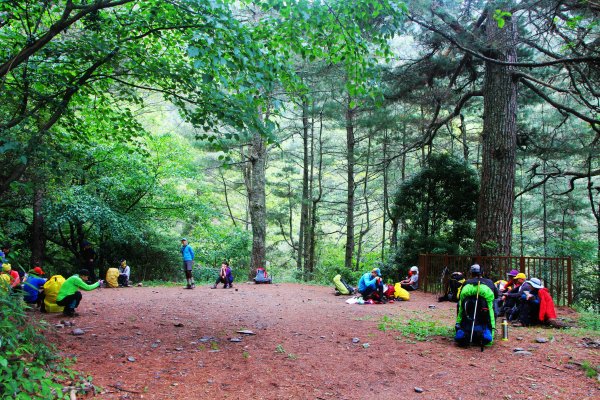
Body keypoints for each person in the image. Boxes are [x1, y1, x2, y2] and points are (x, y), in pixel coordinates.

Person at [454, 264, 496, 348]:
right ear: (482, 272)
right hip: (484, 316)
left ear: (471, 273)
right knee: (494, 304)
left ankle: (461, 328)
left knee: (459, 304)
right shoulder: (490, 282)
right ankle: (487, 331)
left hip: (467, 315)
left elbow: (459, 297)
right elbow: (496, 296)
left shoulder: (466, 283)